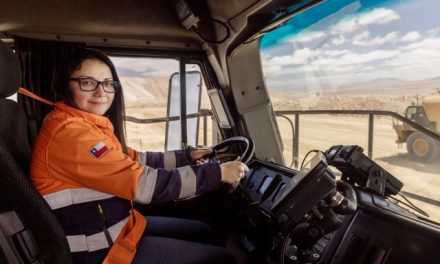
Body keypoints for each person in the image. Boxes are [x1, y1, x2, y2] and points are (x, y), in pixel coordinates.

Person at [30, 48, 249, 264]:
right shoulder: (72, 135)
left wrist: (188, 156)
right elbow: (144, 185)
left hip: (119, 231)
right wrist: (216, 173)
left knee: (201, 231)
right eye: (87, 82)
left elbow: (134, 159)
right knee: (221, 259)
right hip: (100, 254)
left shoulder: (84, 125)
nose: (101, 93)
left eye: (108, 83)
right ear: (64, 85)